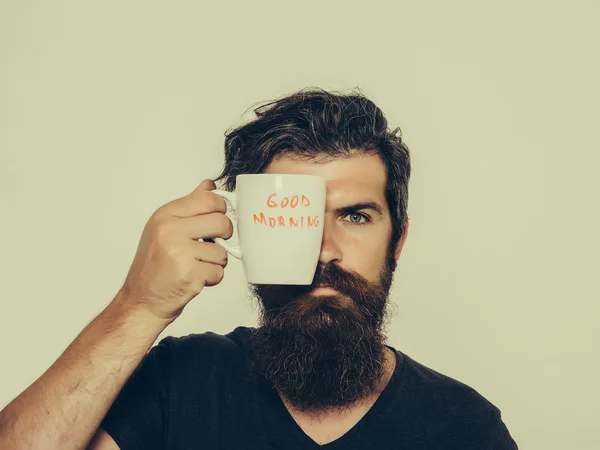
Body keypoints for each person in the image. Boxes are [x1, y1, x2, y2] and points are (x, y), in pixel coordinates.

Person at [0, 87, 518, 449]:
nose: (325, 251)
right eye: (300, 218)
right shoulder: (178, 381)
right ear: (247, 229)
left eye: (356, 216)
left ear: (396, 242)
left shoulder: (464, 427)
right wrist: (139, 305)